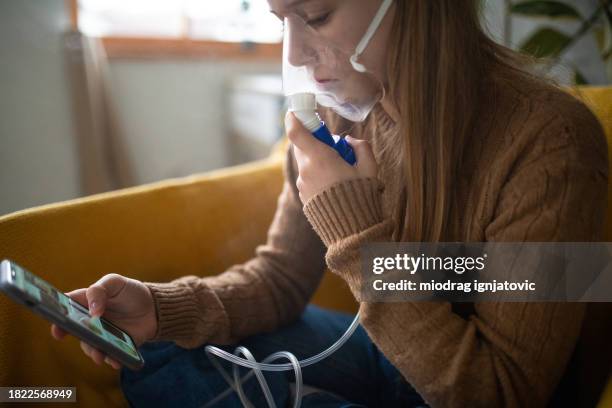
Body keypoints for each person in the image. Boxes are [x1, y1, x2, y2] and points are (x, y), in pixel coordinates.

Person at [51, 0, 611, 407]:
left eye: (315, 16)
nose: (295, 53)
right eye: (281, 21)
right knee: (161, 351)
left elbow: (501, 392)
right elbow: (279, 280)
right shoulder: (335, 113)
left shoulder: (552, 141)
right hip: (384, 351)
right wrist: (160, 310)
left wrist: (359, 236)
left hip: (471, 381)